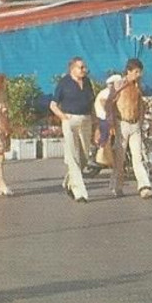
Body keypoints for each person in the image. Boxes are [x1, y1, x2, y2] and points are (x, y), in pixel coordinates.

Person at [50, 57, 95, 202]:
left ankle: (69, 182)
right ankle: (79, 193)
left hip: (86, 119)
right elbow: (53, 105)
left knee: (84, 156)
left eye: (84, 67)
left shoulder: (87, 82)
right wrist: (63, 117)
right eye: (81, 67)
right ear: (72, 69)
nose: (84, 70)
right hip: (70, 120)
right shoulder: (64, 83)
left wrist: (96, 121)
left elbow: (92, 102)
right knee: (73, 156)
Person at [111, 58, 152, 199]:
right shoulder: (119, 85)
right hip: (122, 124)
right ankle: (116, 186)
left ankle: (144, 187)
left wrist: (141, 122)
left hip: (135, 124)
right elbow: (110, 103)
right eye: (136, 72)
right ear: (129, 71)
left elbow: (140, 105)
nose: (139, 74)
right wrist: (112, 125)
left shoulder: (138, 87)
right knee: (120, 158)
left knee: (138, 157)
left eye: (140, 72)